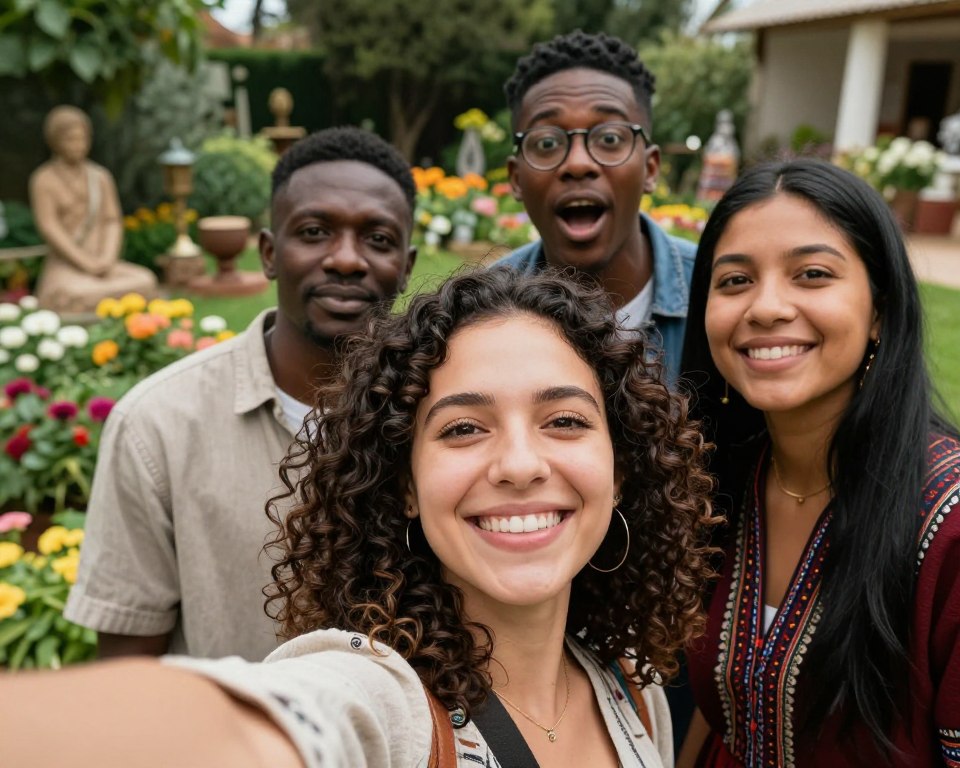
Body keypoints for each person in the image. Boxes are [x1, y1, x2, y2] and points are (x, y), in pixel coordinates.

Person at [5, 269, 717, 767]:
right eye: (464, 429)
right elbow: (259, 729)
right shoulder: (381, 702)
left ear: (620, 470)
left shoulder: (630, 686)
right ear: (405, 487)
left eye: (563, 419)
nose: (521, 464)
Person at [63, 127, 418, 660]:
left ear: (407, 267)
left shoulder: (444, 414)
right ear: (270, 254)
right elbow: (127, 664)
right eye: (315, 231)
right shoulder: (157, 425)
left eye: (379, 239)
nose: (346, 259)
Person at [678, 158, 960, 767]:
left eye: (811, 274)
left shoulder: (949, 529)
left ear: (879, 309)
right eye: (733, 281)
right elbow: (724, 706)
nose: (767, 307)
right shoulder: (715, 488)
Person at [495, 30, 695, 383]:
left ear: (650, 169)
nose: (578, 164)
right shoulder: (479, 309)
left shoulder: (714, 293)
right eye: (546, 142)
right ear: (516, 179)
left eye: (609, 138)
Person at [29, 105, 158, 314]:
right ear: (55, 141)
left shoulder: (100, 177)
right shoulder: (43, 180)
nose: (78, 145)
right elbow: (49, 227)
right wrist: (86, 263)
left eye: (83, 138)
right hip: (67, 266)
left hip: (104, 265)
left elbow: (112, 221)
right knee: (78, 293)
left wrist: (107, 258)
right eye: (71, 139)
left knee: (145, 280)